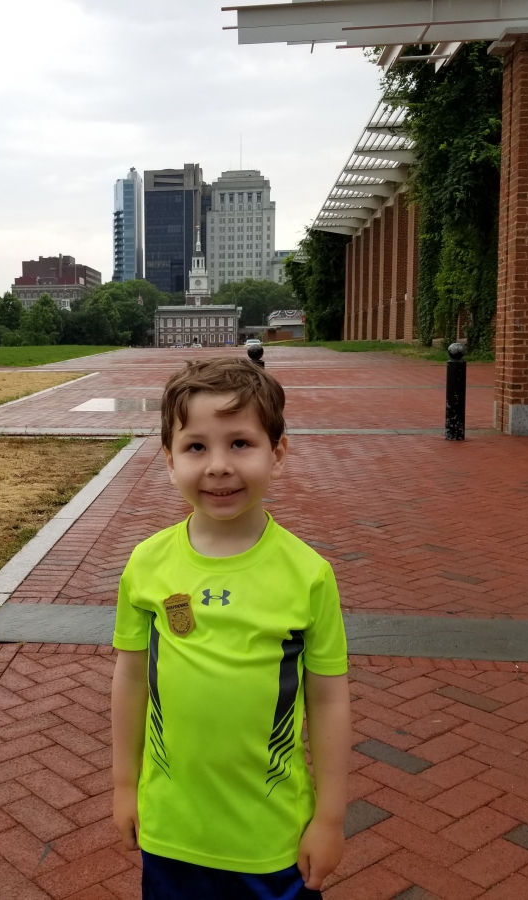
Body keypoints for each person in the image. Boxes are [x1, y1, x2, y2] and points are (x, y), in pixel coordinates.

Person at [111, 357, 352, 900]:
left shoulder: (308, 575)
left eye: (240, 443)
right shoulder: (147, 564)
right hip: (171, 833)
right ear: (169, 461)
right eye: (196, 447)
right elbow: (130, 680)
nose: (218, 466)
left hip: (271, 839)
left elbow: (330, 699)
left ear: (278, 453)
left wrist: (330, 819)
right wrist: (125, 785)